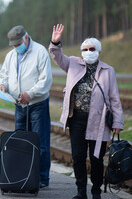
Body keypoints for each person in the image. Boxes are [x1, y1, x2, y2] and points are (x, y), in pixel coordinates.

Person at [49, 24, 123, 199]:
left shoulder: (108, 71)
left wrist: (118, 122)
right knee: (78, 156)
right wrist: (55, 42)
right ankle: (81, 191)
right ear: (81, 51)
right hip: (77, 120)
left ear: (98, 51)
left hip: (99, 121)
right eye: (85, 49)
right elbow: (57, 57)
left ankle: (96, 191)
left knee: (96, 157)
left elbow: (114, 98)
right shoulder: (73, 63)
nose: (88, 51)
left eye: (92, 49)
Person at [0, 25, 53, 189]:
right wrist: (2, 86)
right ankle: (23, 175)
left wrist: (31, 93)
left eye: (18, 44)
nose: (16, 48)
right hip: (19, 105)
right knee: (20, 142)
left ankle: (42, 178)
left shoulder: (40, 52)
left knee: (40, 142)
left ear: (26, 38)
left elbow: (45, 80)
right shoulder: (11, 55)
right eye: (13, 45)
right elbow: (4, 75)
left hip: (37, 104)